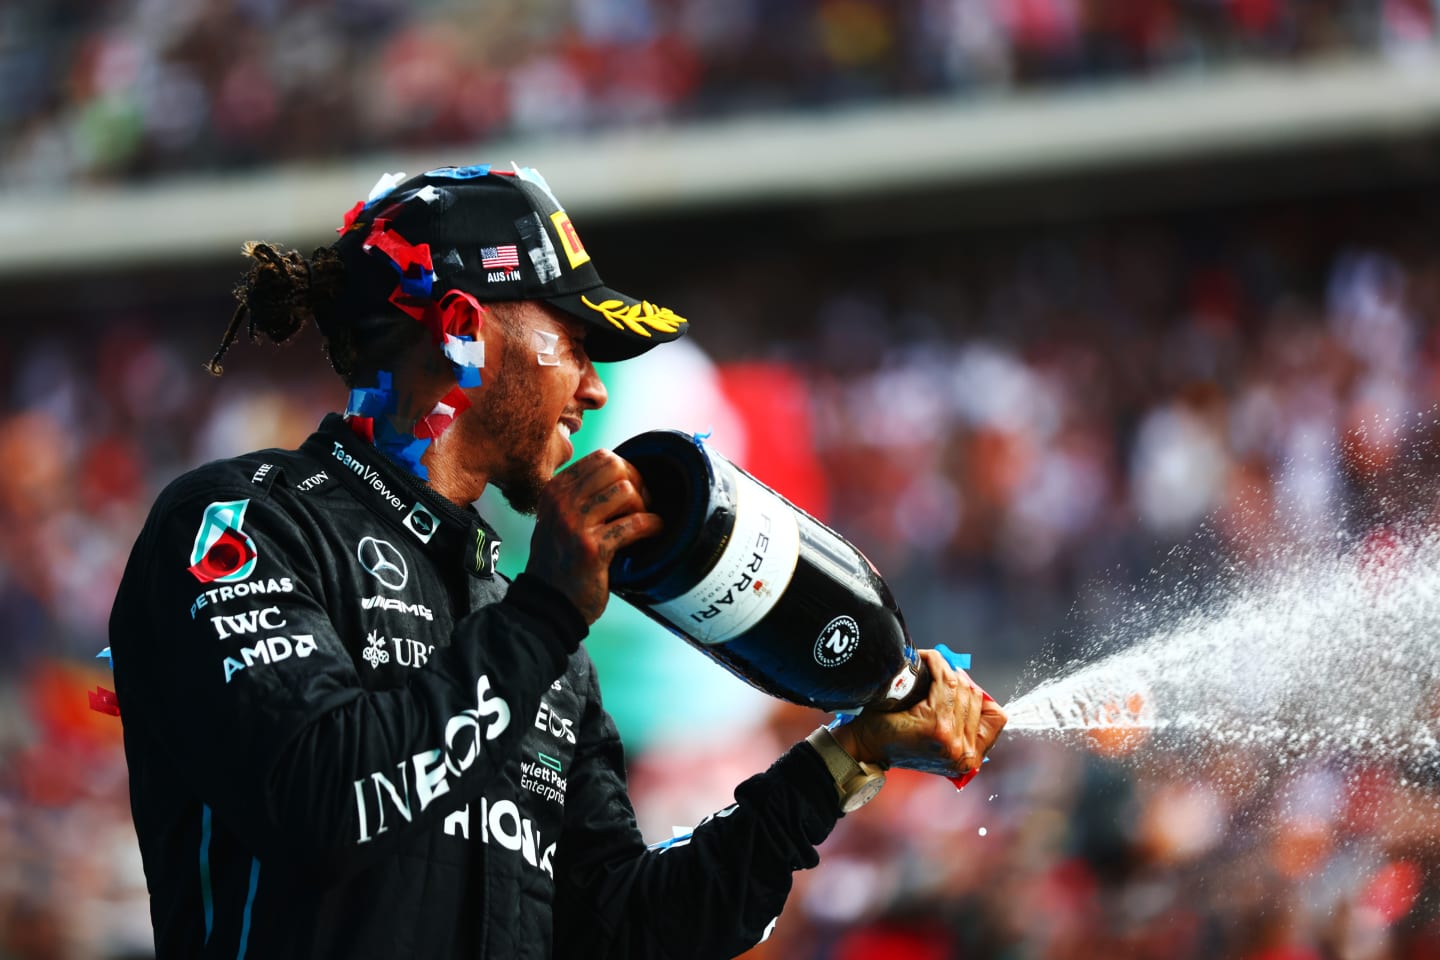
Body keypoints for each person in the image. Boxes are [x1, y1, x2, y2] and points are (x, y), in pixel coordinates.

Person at [108, 163, 1007, 959]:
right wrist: (541, 615)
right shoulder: (240, 521)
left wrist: (842, 758)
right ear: (462, 327)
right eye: (575, 343)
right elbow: (322, 804)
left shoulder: (532, 630)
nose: (595, 386)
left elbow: (628, 931)